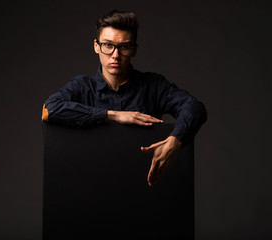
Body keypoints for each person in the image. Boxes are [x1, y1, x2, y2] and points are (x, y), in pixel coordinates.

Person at [42, 10, 207, 186]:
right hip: (91, 187)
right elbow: (49, 110)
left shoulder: (153, 85)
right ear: (96, 46)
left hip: (144, 188)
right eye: (108, 45)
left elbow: (195, 108)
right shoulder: (82, 86)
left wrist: (176, 140)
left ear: (134, 49)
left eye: (124, 47)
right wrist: (113, 115)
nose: (115, 55)